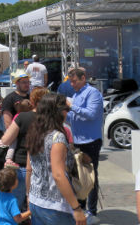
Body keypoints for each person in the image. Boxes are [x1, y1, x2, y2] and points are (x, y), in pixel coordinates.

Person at [26, 93, 86, 225]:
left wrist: (28, 195)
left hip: (36, 200)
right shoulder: (57, 137)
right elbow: (58, 175)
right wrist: (76, 208)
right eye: (66, 109)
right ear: (57, 112)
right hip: (55, 206)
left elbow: (29, 169)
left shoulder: (34, 132)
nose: (67, 113)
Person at [0, 86, 46, 212]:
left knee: (17, 206)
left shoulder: (22, 117)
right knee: (40, 206)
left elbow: (6, 140)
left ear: (32, 100)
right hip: (45, 168)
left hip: (22, 164)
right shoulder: (51, 119)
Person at [66, 67, 103, 224]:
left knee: (90, 177)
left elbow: (91, 114)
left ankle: (92, 210)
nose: (72, 84)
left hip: (90, 141)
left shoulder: (92, 93)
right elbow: (72, 119)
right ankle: (80, 207)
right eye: (70, 82)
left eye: (74, 81)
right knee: (78, 176)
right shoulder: (76, 94)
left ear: (83, 78)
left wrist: (71, 106)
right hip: (78, 141)